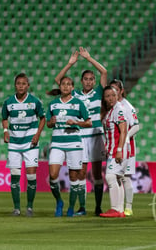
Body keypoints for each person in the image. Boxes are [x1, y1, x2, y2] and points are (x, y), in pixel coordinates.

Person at [54, 47, 107, 216]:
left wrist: (89, 58)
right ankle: (82, 207)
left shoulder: (99, 92)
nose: (89, 82)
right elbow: (59, 79)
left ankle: (98, 207)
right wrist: (70, 63)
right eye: (86, 79)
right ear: (81, 81)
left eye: (92, 79)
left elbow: (104, 72)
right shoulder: (75, 94)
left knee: (97, 172)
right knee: (81, 172)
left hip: (96, 135)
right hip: (80, 136)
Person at [46, 76, 92, 217]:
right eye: (63, 84)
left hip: (74, 143)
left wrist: (76, 123)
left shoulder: (78, 104)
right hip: (57, 143)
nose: (65, 87)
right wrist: (51, 122)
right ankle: (59, 201)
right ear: (60, 87)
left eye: (68, 84)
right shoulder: (53, 105)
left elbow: (89, 122)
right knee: (53, 175)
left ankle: (71, 208)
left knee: (74, 177)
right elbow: (48, 124)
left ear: (72, 87)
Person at [1, 73, 46, 217]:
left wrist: (37, 134)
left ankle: (30, 207)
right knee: (15, 175)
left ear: (28, 86)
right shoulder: (8, 102)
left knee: (31, 176)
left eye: (23, 84)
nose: (21, 86)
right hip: (14, 143)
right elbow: (4, 118)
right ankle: (16, 208)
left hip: (30, 143)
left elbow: (43, 118)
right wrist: (6, 131)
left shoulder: (34, 101)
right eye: (18, 83)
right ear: (15, 85)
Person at [109, 79, 140, 216]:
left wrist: (126, 137)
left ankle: (128, 207)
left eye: (116, 89)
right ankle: (119, 207)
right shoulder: (111, 106)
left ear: (121, 91)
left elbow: (136, 125)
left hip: (127, 147)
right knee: (117, 178)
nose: (113, 92)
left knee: (125, 178)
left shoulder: (127, 106)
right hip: (115, 147)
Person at [99, 86, 128, 218]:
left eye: (112, 95)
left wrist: (119, 150)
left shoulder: (119, 110)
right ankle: (120, 210)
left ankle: (115, 208)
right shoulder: (110, 111)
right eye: (107, 96)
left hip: (118, 149)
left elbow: (124, 130)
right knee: (117, 178)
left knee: (110, 177)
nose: (110, 98)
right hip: (112, 149)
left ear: (117, 96)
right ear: (104, 98)